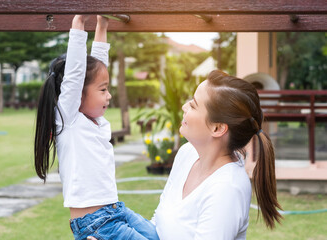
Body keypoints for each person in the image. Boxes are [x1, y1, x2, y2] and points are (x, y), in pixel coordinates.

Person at [34, 15, 159, 240]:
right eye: (103, 90)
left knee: (157, 235)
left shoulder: (95, 121)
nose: (109, 95)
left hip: (115, 210)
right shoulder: (68, 120)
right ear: (77, 94)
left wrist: (102, 25)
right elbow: (76, 74)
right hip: (96, 224)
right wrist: (79, 22)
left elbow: (98, 64)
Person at [151, 70, 283, 239]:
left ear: (217, 128)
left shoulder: (228, 189)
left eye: (193, 105)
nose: (184, 107)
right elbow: (157, 225)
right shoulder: (187, 153)